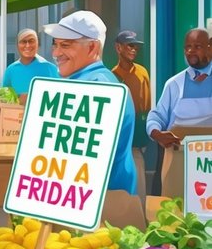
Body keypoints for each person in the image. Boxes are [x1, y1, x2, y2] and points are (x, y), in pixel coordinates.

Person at [44, 11, 138, 195]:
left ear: (92, 48)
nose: (56, 53)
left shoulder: (99, 85)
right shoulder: (80, 80)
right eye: (55, 45)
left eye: (65, 45)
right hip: (80, 199)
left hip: (104, 204)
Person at [146, 28, 212, 195]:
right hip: (178, 158)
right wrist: (156, 133)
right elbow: (157, 116)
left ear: (210, 48)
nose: (190, 51)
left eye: (197, 46)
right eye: (187, 47)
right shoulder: (174, 84)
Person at [111, 31, 152, 197]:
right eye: (130, 45)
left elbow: (146, 107)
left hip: (137, 138)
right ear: (118, 47)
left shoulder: (142, 73)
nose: (134, 50)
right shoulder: (111, 76)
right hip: (117, 137)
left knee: (139, 182)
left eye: (136, 46)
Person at [0, 29, 59, 101]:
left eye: (31, 41)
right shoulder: (11, 70)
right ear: (17, 46)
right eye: (23, 42)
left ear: (38, 44)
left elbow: (59, 97)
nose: (27, 45)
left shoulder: (50, 68)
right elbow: (4, 98)